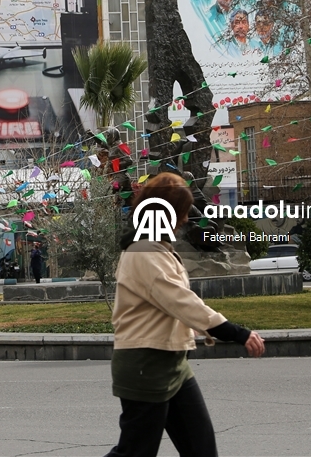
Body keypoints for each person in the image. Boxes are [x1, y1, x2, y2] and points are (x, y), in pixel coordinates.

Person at [105, 174, 265, 457]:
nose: (185, 221)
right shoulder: (144, 252)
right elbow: (181, 301)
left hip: (174, 363)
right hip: (146, 365)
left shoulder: (154, 245)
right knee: (135, 453)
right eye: (181, 213)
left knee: (201, 449)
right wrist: (236, 332)